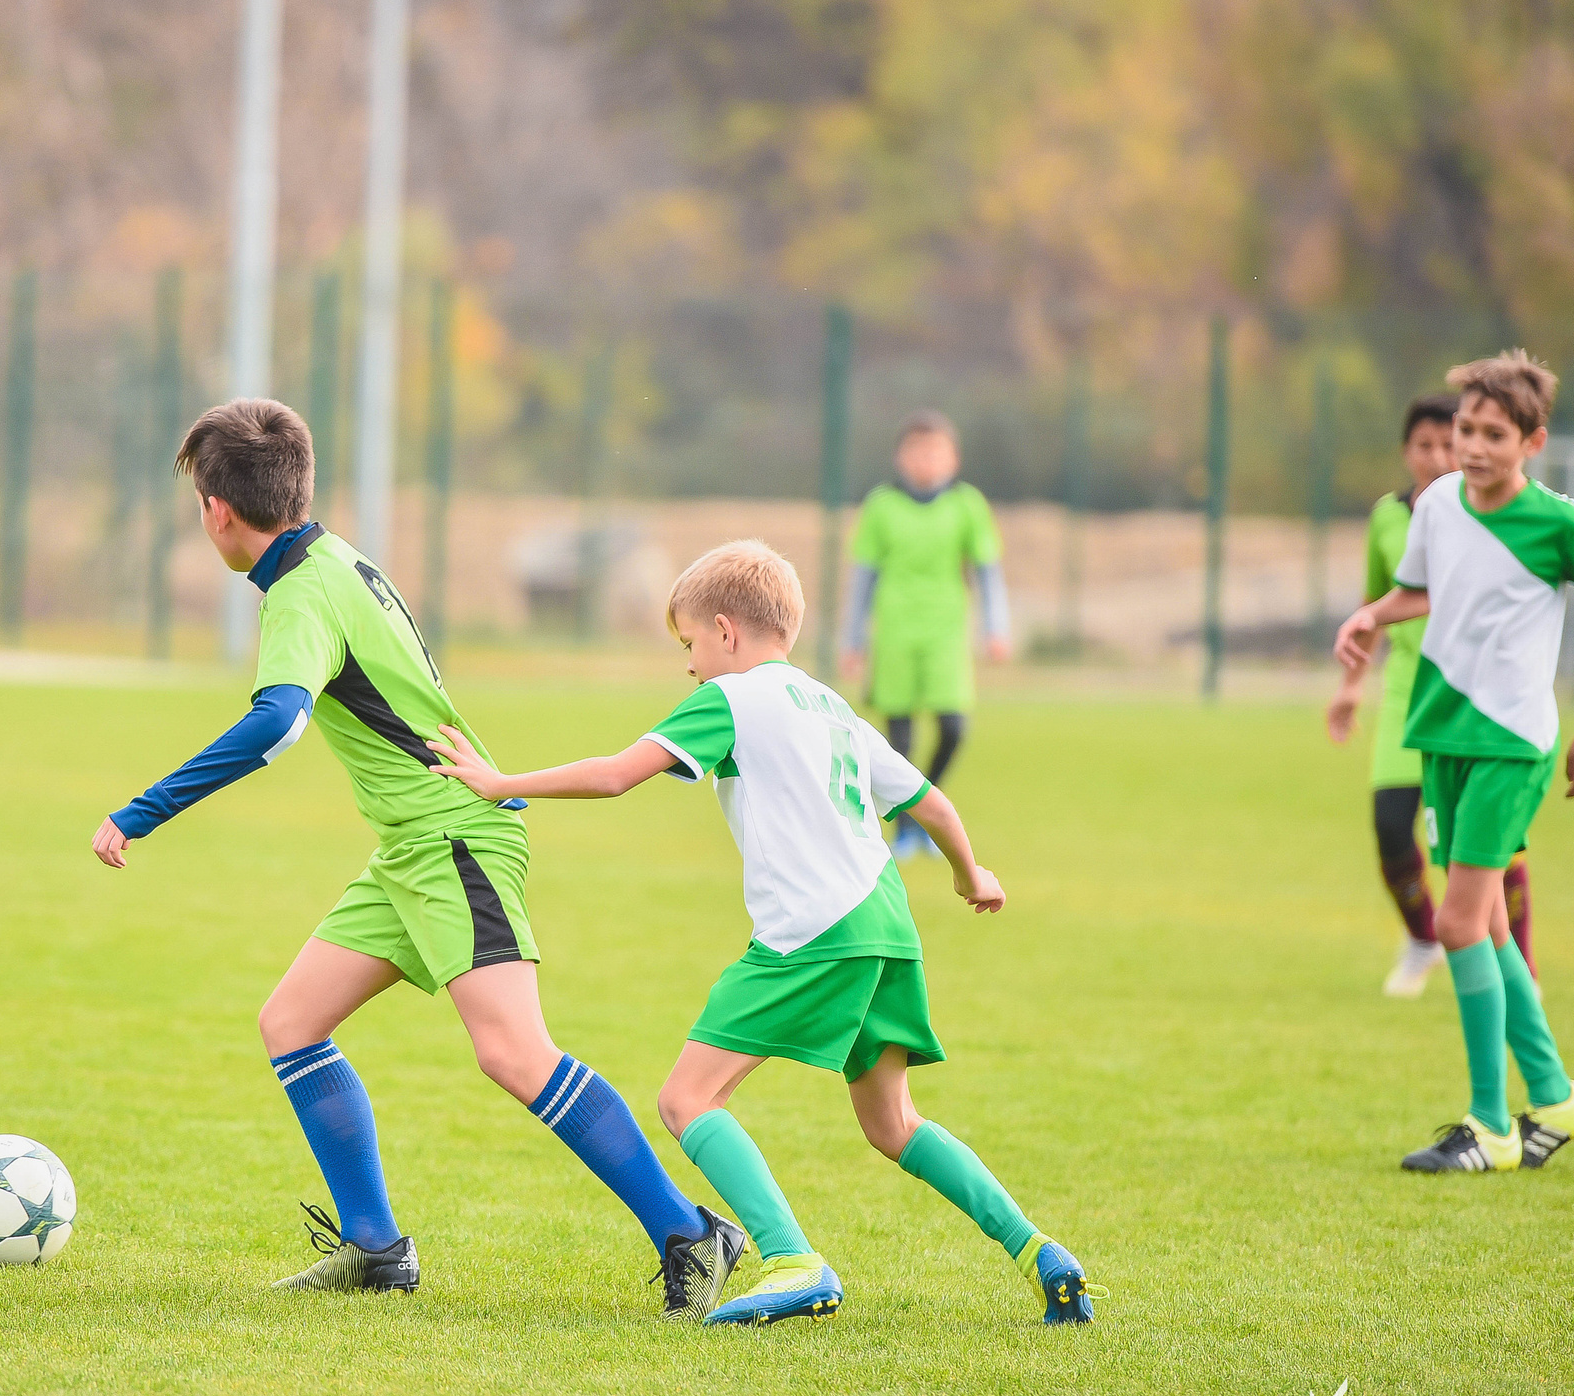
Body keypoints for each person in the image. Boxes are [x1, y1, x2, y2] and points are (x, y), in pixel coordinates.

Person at [89, 398, 746, 1314]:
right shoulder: (334, 556)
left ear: (217, 510)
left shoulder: (300, 591)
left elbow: (278, 723)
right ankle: (373, 1246)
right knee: (292, 1022)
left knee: (516, 1053)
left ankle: (691, 1232)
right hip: (412, 844)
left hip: (454, 837)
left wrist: (143, 810)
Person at [427, 540, 1101, 1327]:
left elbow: (617, 773)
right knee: (894, 1122)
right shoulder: (834, 709)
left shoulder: (733, 699)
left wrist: (501, 782)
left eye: (689, 646)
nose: (690, 667)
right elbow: (934, 805)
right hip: (887, 923)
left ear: (725, 630)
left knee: (687, 1096)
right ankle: (1041, 1253)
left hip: (814, 931)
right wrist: (970, 873)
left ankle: (791, 1258)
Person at [1335, 350, 1574, 1174]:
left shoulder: (1560, 523)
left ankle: (1491, 1124)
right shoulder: (1434, 507)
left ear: (1532, 441)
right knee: (1488, 921)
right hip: (1442, 733)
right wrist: (1368, 615)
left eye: (1494, 433)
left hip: (1513, 741)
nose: (1472, 445)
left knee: (1459, 922)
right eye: (1465, 428)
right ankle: (1558, 1093)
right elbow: (1422, 593)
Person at [1327, 395, 1473, 997]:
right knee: (1391, 827)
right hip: (1407, 690)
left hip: (1470, 692)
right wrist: (1351, 687)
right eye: (1424, 445)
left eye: (1448, 444)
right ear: (1406, 451)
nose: (1436, 456)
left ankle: (1524, 967)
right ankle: (1422, 938)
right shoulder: (1388, 517)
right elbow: (1374, 605)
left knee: (1481, 839)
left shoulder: (1485, 514)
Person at [841, 411, 1010, 860]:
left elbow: (988, 570)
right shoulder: (881, 506)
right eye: (917, 452)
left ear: (953, 459)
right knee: (901, 739)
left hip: (946, 630)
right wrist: (851, 638)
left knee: (953, 728)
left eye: (936, 452)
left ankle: (920, 815)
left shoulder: (966, 505)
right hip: (895, 630)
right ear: (901, 458)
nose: (926, 461)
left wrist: (997, 627)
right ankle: (911, 831)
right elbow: (863, 576)